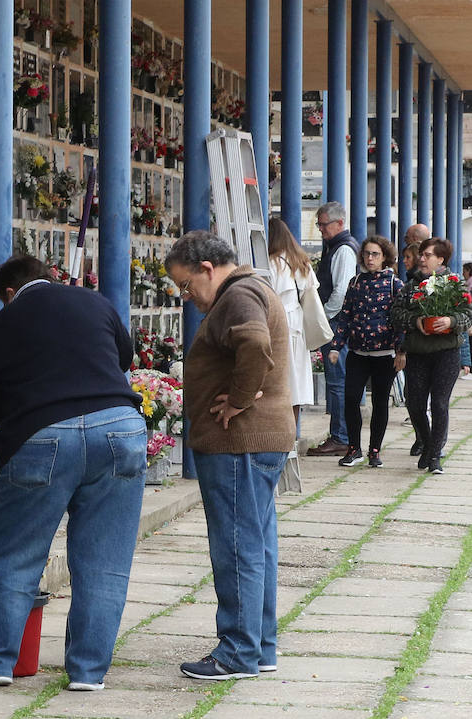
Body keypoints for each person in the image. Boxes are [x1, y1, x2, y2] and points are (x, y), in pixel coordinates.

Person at [0, 255, 145, 691]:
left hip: (42, 437)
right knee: (105, 562)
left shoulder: (5, 323)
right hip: (119, 430)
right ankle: (89, 672)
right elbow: (123, 359)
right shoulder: (96, 303)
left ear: (10, 293)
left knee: (16, 558)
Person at [165, 231, 294, 681]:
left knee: (237, 547)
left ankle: (238, 651)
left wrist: (239, 398)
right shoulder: (251, 289)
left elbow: (255, 343)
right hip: (256, 441)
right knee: (256, 544)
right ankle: (260, 646)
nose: (187, 297)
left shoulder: (238, 295)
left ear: (207, 268)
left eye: (187, 286)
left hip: (240, 440)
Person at [390, 237, 472, 474]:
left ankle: (435, 454)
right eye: (422, 255)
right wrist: (416, 321)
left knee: (439, 404)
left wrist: (451, 320)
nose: (421, 259)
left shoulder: (454, 284)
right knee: (414, 403)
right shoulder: (412, 285)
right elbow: (395, 313)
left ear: (441, 259)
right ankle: (426, 442)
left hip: (446, 352)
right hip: (417, 352)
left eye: (427, 255)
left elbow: (467, 314)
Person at [328, 236, 404, 468]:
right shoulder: (355, 283)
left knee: (380, 402)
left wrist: (401, 351)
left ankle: (374, 450)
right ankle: (353, 448)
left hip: (384, 355)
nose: (370, 259)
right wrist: (335, 346)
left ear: (385, 257)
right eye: (367, 254)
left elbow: (401, 321)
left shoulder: (394, 284)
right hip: (358, 353)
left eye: (375, 254)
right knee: (351, 398)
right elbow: (346, 316)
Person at [265, 218, 316, 492]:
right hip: (297, 327)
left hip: (277, 324)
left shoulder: (271, 263)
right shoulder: (301, 262)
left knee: (277, 384)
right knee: (295, 389)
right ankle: (290, 440)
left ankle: (275, 440)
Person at [307, 202, 359, 456]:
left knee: (338, 382)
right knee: (339, 382)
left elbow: (341, 291)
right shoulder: (338, 247)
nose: (320, 230)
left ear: (339, 223)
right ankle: (344, 435)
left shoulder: (343, 251)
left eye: (323, 224)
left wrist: (323, 317)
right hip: (338, 322)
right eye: (318, 224)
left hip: (337, 324)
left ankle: (341, 436)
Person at [400, 224, 432, 451]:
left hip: (428, 348)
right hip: (413, 347)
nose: (405, 261)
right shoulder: (408, 283)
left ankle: (429, 443)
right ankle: (424, 438)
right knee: (414, 397)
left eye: (408, 257)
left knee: (426, 400)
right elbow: (399, 316)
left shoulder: (429, 283)